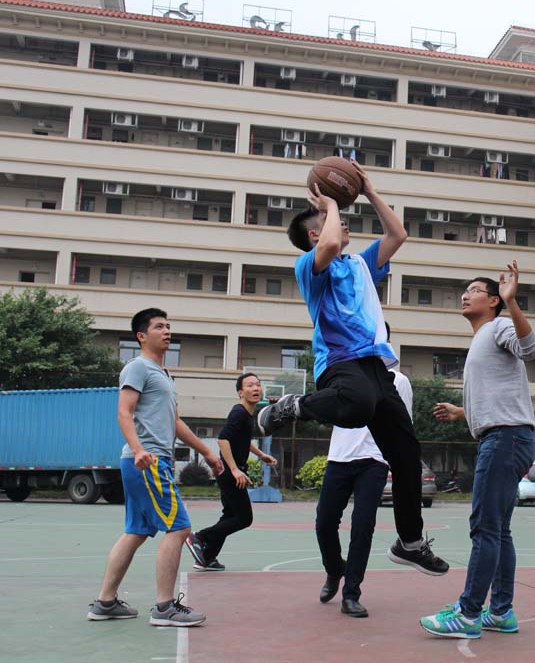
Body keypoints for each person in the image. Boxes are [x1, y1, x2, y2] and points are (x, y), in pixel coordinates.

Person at [256, 161, 447, 576]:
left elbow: (397, 235)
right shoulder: (309, 267)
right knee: (358, 404)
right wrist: (329, 204)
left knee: (407, 455)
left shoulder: (360, 264)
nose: (344, 224)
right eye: (334, 221)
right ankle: (294, 406)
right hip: (340, 362)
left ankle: (410, 542)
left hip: (375, 365)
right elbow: (327, 244)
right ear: (314, 234)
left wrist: (369, 191)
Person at [420, 263, 535, 639]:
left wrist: (512, 302)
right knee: (499, 530)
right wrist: (462, 412)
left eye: (474, 290)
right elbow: (496, 396)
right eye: (466, 289)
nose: (465, 294)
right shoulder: (482, 339)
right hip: (506, 437)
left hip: (505, 440)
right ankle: (500, 611)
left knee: (485, 528)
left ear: (492, 301)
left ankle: (469, 613)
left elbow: (531, 349)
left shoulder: (498, 326)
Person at [87, 308, 224, 627]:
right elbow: (124, 411)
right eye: (159, 326)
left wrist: (207, 451)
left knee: (136, 531)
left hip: (146, 460)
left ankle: (105, 603)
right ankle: (164, 607)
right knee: (179, 528)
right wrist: (138, 450)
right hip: (147, 460)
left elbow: (175, 422)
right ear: (141, 336)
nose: (166, 331)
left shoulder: (164, 375)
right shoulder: (137, 367)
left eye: (168, 326)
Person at [314, 323, 408, 619]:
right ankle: (334, 569)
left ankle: (351, 593)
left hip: (375, 460)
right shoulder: (340, 374)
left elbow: (403, 426)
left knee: (363, 525)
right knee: (324, 522)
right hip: (339, 458)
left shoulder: (398, 380)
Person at [185, 373, 277, 572]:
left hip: (230, 472)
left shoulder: (246, 414)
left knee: (230, 515)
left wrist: (262, 455)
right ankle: (199, 537)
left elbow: (242, 440)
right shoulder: (239, 413)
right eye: (250, 385)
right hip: (230, 473)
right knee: (244, 519)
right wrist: (235, 470)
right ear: (240, 392)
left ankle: (206, 557)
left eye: (258, 385)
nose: (255, 388)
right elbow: (223, 439)